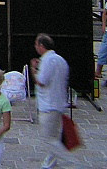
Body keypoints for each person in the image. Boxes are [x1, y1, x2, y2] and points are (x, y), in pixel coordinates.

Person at [30, 33, 69, 169]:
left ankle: (70, 160)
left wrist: (34, 70)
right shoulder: (60, 60)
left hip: (48, 104)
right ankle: (49, 164)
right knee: (53, 136)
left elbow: (41, 81)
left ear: (41, 46)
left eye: (36, 44)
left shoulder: (47, 60)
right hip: (59, 102)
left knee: (49, 138)